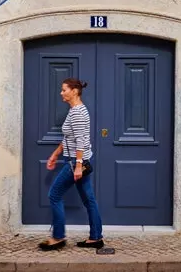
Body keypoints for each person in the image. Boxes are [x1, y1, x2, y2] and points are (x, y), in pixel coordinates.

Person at [38, 78, 104, 251]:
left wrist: (77, 165)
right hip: (78, 160)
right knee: (89, 200)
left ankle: (58, 237)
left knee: (54, 195)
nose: (61, 93)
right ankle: (96, 238)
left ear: (74, 91)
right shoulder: (75, 110)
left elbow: (81, 140)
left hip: (76, 161)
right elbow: (69, 137)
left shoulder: (77, 112)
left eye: (64, 89)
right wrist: (55, 153)